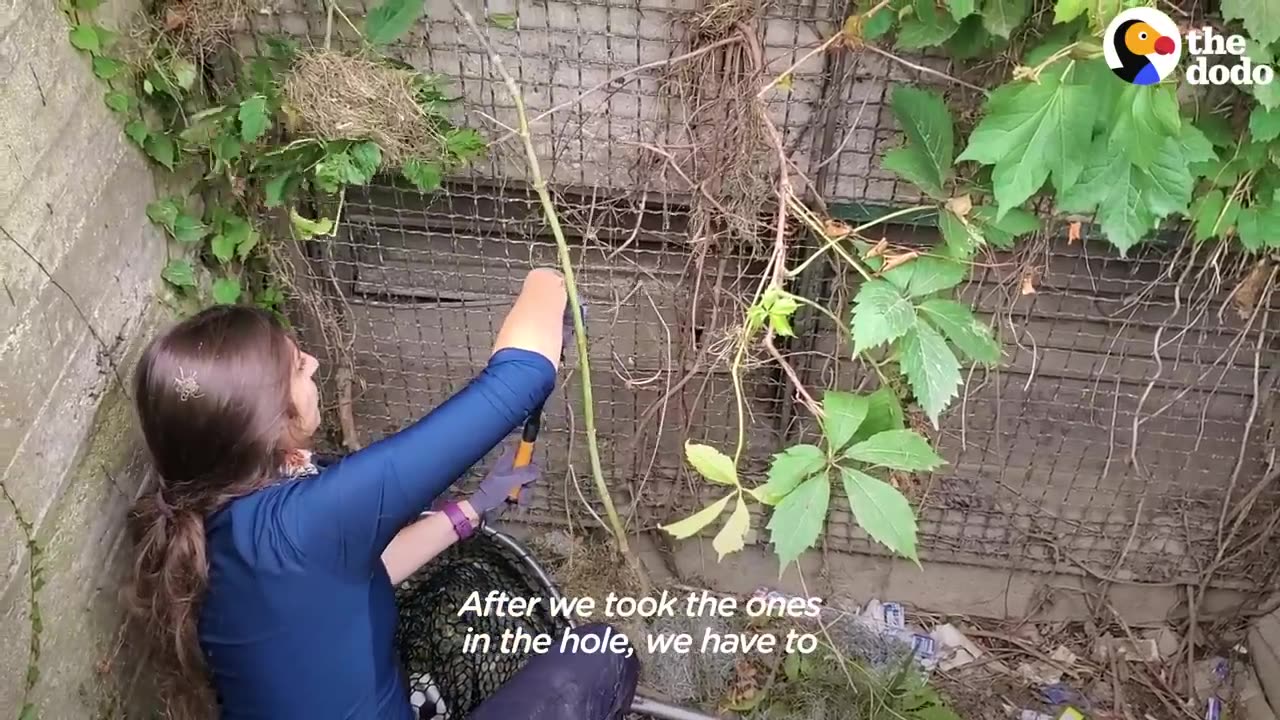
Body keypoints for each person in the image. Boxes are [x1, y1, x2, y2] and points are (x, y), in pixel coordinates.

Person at [125, 267, 639, 720]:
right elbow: (521, 379)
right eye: (298, 368)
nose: (315, 363)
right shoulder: (306, 521)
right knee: (600, 655)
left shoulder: (213, 513)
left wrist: (474, 507)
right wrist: (550, 282)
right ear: (264, 418)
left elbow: (358, 578)